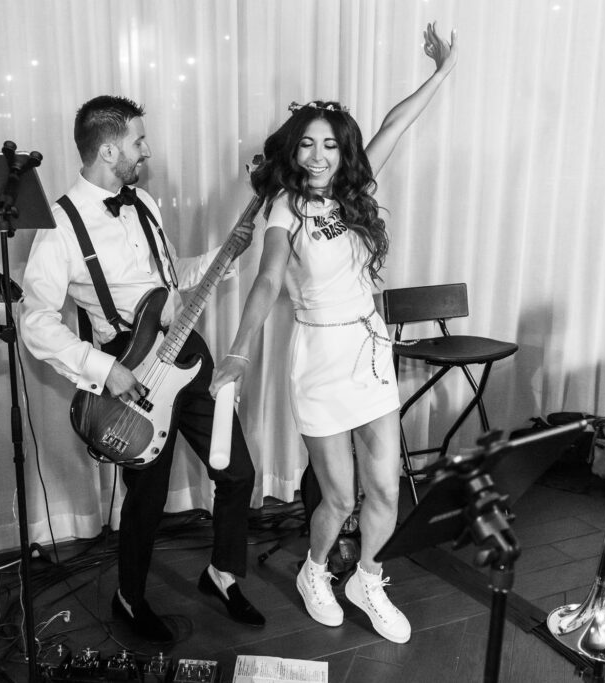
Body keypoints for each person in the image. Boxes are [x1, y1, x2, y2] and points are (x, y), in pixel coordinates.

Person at [209, 23, 458, 643]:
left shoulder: (355, 196)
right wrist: (237, 351)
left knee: (385, 490)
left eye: (330, 146)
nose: (318, 157)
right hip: (319, 356)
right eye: (307, 146)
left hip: (369, 350)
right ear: (292, 152)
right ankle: (315, 570)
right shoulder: (283, 210)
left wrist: (444, 71)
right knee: (340, 498)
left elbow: (396, 125)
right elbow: (266, 282)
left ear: (343, 153)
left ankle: (367, 578)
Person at [19, 95, 264, 644]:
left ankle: (221, 573)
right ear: (108, 149)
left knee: (238, 472)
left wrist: (230, 251)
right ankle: (129, 596)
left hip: (188, 356)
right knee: (147, 503)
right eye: (138, 142)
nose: (146, 151)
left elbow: (175, 285)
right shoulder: (60, 224)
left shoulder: (145, 203)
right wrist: (103, 369)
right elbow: (34, 320)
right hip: (129, 377)